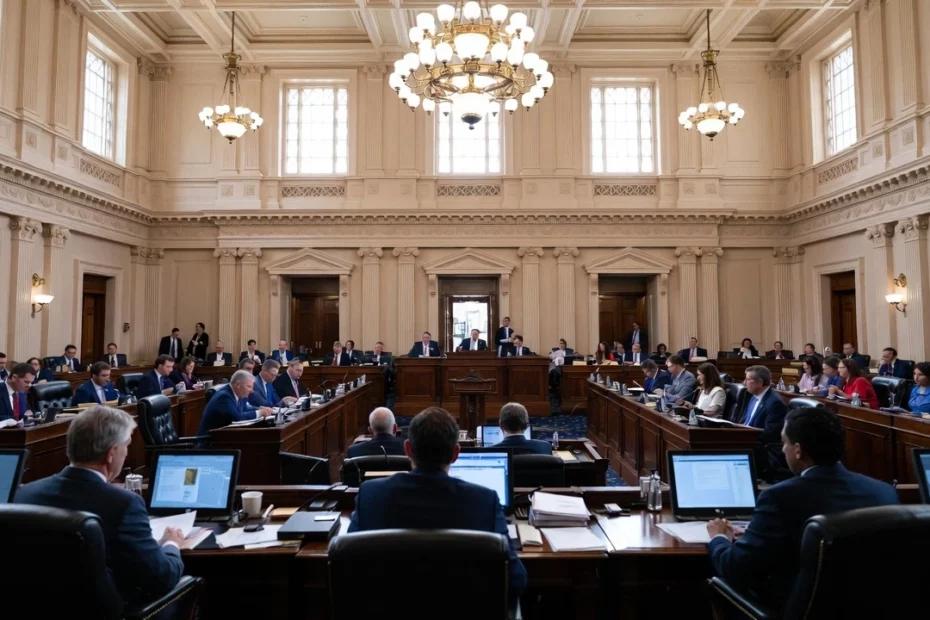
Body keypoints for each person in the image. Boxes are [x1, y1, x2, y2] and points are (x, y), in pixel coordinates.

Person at [706, 407, 898, 610]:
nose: (782, 450)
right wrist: (760, 530)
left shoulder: (779, 497)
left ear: (798, 450)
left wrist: (718, 538)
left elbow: (735, 568)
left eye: (784, 443)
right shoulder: (884, 492)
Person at [348, 407, 527, 609]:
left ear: (407, 449)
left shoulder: (370, 495)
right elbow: (515, 581)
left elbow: (348, 570)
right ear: (455, 453)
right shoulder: (485, 501)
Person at [15, 406, 186, 607]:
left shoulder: (22, 494)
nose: (126, 453)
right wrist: (171, 544)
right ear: (112, 452)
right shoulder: (124, 504)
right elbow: (162, 578)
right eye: (126, 446)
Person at [197, 370, 273, 435]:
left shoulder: (239, 395)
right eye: (249, 386)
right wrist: (259, 412)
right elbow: (237, 417)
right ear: (237, 384)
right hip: (210, 442)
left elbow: (245, 408)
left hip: (223, 437)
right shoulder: (224, 397)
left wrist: (261, 409)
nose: (252, 390)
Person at [735, 365, 788, 444]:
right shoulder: (753, 396)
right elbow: (745, 422)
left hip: (757, 445)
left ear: (759, 382)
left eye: (747, 379)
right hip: (743, 439)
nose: (744, 382)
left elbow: (770, 434)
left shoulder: (775, 403)